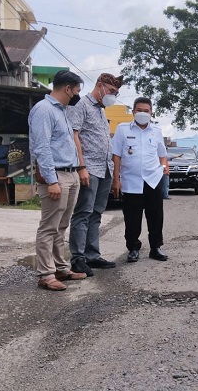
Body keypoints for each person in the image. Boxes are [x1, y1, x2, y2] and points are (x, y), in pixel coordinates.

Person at [28, 69, 87, 291]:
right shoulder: (43, 110)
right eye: (77, 91)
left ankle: (61, 267)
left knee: (62, 226)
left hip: (69, 173)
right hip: (56, 175)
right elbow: (42, 147)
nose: (77, 95)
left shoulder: (61, 110)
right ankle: (46, 274)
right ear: (67, 88)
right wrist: (51, 180)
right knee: (49, 227)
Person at [67, 73, 122, 277]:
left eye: (116, 93)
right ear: (99, 86)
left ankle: (92, 254)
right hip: (89, 168)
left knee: (97, 213)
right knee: (84, 212)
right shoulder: (81, 105)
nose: (113, 96)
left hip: (105, 168)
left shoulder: (101, 110)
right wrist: (81, 166)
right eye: (111, 91)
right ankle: (78, 258)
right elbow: (74, 135)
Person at [111, 96, 169, 262]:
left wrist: (163, 169)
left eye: (146, 111)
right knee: (132, 218)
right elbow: (116, 156)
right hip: (131, 182)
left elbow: (162, 155)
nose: (142, 113)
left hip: (153, 180)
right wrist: (116, 179)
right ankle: (133, 248)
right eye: (139, 110)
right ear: (133, 112)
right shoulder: (123, 130)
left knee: (156, 216)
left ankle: (156, 247)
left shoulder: (156, 132)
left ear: (151, 113)